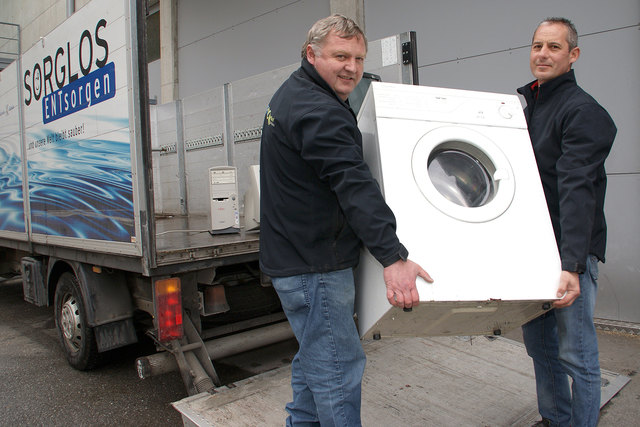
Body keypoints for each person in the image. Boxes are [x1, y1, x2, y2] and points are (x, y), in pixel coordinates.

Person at [259, 14, 432, 426]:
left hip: (297, 257)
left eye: (357, 57)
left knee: (315, 366)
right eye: (340, 56)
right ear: (312, 54)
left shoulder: (294, 93)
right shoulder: (320, 110)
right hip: (314, 266)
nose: (351, 67)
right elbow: (354, 186)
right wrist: (393, 257)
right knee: (338, 372)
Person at [517, 17, 616, 427]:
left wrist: (571, 265)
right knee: (541, 349)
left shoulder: (582, 112)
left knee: (577, 355)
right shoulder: (530, 107)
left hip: (566, 256)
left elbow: (578, 191)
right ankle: (556, 420)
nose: (543, 54)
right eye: (538, 45)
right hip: (536, 252)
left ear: (573, 55)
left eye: (554, 47)